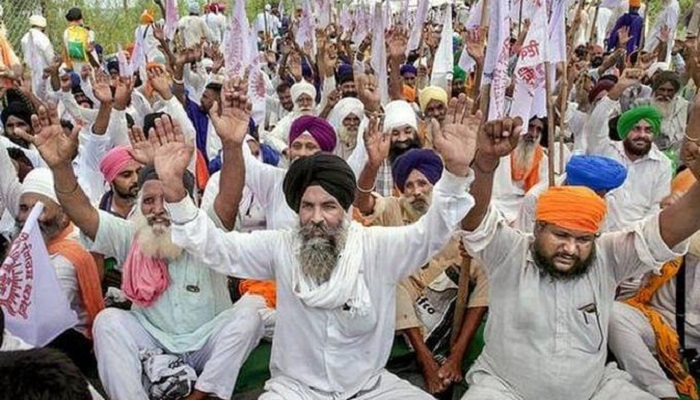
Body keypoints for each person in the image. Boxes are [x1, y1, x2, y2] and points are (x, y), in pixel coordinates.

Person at [161, 90, 481, 399]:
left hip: (368, 388)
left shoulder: (376, 247)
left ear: (345, 210)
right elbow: (215, 246)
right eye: (307, 206)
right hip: (295, 389)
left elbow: (431, 233)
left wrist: (455, 172)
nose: (316, 218)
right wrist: (175, 189)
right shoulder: (282, 247)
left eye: (328, 207)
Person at [23, 105, 265, 400]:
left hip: (209, 340)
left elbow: (230, 192)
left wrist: (231, 144)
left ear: (185, 201)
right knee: (108, 322)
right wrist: (60, 167)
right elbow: (81, 211)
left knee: (251, 312)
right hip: (153, 339)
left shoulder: (206, 228)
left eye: (167, 199)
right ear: (139, 207)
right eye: (149, 200)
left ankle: (204, 395)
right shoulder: (130, 235)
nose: (158, 209)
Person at [458, 104, 700, 399]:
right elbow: (475, 220)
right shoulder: (510, 253)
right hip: (506, 390)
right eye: (560, 235)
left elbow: (669, 230)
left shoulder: (606, 256)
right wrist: (484, 163)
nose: (570, 249)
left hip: (594, 390)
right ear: (537, 229)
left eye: (583, 239)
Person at [355, 147, 489, 395]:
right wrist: (372, 166)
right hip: (403, 309)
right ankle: (425, 359)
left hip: (446, 304)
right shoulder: (394, 209)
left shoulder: (458, 217)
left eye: (423, 184)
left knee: (486, 270)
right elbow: (363, 203)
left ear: (437, 186)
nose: (416, 192)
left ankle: (455, 357)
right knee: (385, 277)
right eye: (408, 186)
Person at [0, 160, 104, 375]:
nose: (29, 217)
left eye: (40, 209)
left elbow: (41, 320)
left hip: (66, 340)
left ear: (64, 215)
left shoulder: (68, 254)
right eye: (24, 208)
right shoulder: (26, 243)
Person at [609, 172, 699, 400]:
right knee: (613, 315)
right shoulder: (666, 232)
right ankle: (661, 391)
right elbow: (633, 270)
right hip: (660, 321)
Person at [584, 69, 672, 232]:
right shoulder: (606, 149)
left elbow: (656, 209)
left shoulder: (663, 164)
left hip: (636, 238)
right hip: (598, 232)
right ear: (624, 132)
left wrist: (634, 236)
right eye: (636, 129)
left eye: (648, 130)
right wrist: (617, 90)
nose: (642, 135)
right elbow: (594, 126)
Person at [514, 155, 628, 233]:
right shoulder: (537, 198)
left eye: (605, 192)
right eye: (597, 193)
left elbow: (612, 237)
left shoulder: (606, 200)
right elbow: (524, 238)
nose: (602, 197)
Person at [634, 71, 689, 162]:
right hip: (644, 156)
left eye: (670, 91)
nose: (665, 94)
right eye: (662, 89)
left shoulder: (683, 106)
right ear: (655, 89)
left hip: (675, 158)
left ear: (675, 92)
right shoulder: (641, 104)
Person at [20, 15, 55, 98]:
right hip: (44, 71)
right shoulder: (42, 38)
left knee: (36, 94)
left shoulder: (24, 38)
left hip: (31, 72)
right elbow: (50, 57)